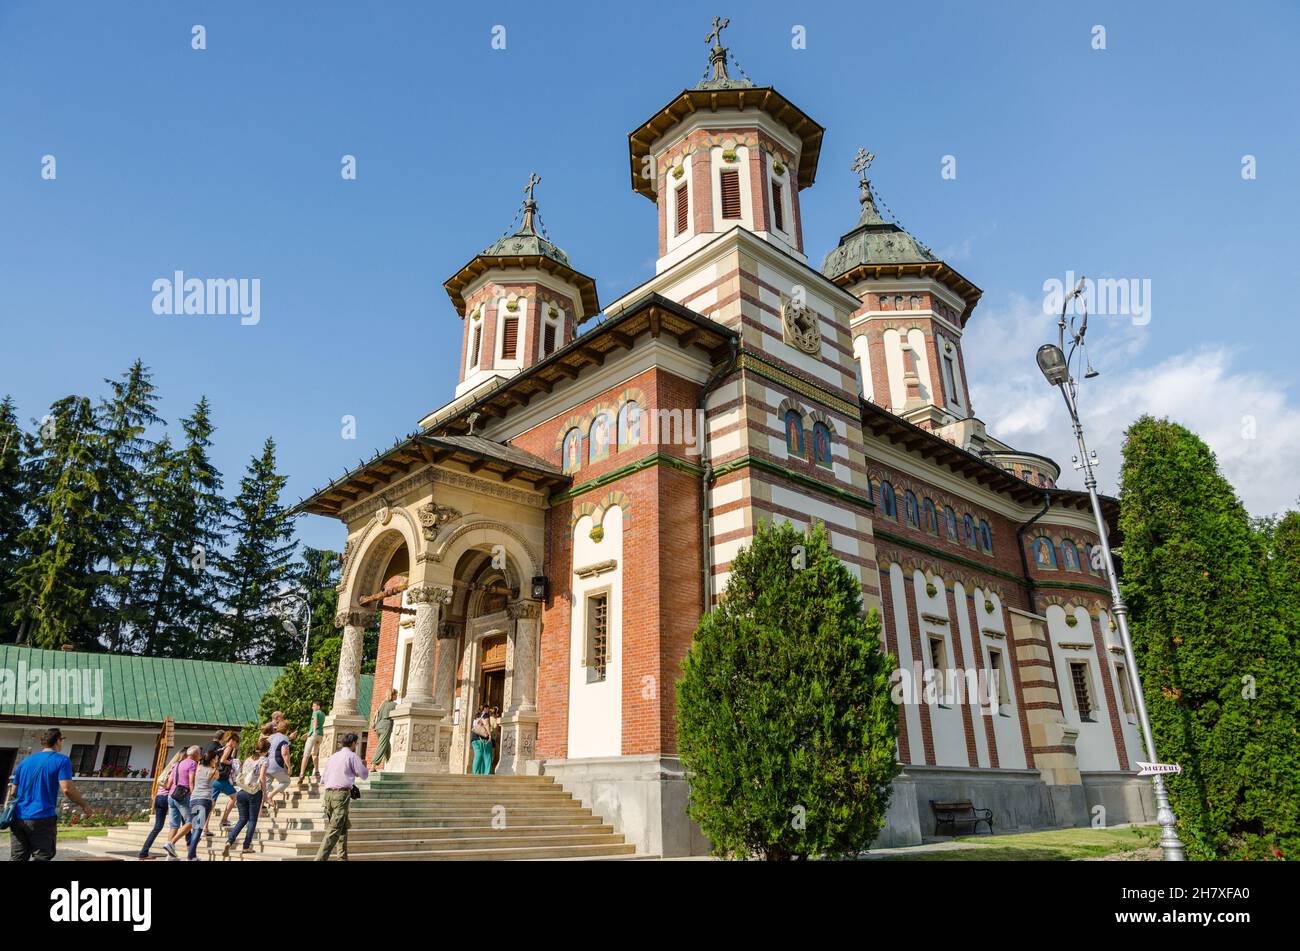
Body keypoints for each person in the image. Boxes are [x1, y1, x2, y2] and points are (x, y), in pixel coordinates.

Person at [5, 728, 89, 861]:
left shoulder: (26, 762)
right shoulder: (62, 760)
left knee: (18, 857)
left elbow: (14, 791)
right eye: (61, 740)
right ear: (57, 741)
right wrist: (84, 804)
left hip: (18, 817)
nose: (62, 743)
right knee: (42, 855)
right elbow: (67, 789)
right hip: (42, 816)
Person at [314, 733, 368, 862]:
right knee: (334, 830)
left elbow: (324, 779)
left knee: (342, 827)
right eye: (357, 743)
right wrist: (364, 765)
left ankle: (342, 858)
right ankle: (319, 859)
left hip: (328, 795)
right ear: (353, 743)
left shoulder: (333, 756)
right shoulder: (352, 756)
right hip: (341, 795)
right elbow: (364, 774)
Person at [223, 739, 269, 857]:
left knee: (242, 819)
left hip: (242, 792)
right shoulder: (264, 760)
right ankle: (246, 846)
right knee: (252, 820)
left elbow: (243, 774)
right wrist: (265, 794)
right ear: (267, 750)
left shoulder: (248, 759)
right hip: (254, 792)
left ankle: (230, 840)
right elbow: (262, 778)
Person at [138, 749, 184, 860]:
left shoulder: (168, 767)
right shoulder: (177, 768)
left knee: (157, 827)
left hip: (159, 798)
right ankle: (172, 850)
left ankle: (143, 853)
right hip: (167, 798)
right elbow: (169, 785)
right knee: (179, 823)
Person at [162, 746, 199, 860]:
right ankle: (171, 843)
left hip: (171, 795)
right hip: (183, 795)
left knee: (174, 826)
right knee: (191, 822)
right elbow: (191, 781)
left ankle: (170, 855)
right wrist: (194, 796)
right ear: (195, 754)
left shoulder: (177, 764)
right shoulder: (192, 763)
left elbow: (170, 782)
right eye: (199, 753)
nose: (200, 755)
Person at [184, 749, 219, 860]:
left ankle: (193, 855)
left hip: (194, 799)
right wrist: (215, 765)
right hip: (205, 800)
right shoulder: (214, 771)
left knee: (195, 827)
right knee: (199, 829)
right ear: (213, 759)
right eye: (216, 758)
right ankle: (190, 856)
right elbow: (216, 778)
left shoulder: (198, 768)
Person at [209, 731, 239, 834]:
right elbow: (223, 760)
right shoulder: (228, 748)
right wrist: (232, 762)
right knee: (234, 796)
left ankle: (205, 827)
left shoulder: (221, 748)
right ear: (232, 741)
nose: (236, 744)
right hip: (222, 779)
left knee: (212, 803)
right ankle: (224, 820)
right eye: (236, 742)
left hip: (215, 778)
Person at [264, 720, 293, 816]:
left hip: (266, 763)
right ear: (287, 729)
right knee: (286, 781)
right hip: (277, 764)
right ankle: (270, 796)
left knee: (267, 784)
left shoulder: (270, 737)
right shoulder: (285, 738)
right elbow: (284, 753)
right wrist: (289, 767)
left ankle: (264, 802)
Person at [369, 690, 398, 772]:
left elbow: (378, 716)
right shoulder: (394, 705)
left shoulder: (382, 704)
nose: (397, 696)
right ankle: (373, 765)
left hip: (378, 727)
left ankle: (390, 762)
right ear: (392, 695)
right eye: (396, 694)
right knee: (382, 746)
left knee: (386, 744)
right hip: (386, 727)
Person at [299, 701, 325, 784]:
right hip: (320, 735)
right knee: (314, 754)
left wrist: (313, 732)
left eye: (314, 706)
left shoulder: (315, 713)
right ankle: (317, 771)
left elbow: (315, 723)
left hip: (314, 735)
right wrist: (307, 734)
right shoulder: (323, 714)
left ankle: (301, 774)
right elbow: (319, 726)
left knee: (306, 755)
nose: (312, 708)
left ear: (318, 706)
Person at [470, 706, 493, 775]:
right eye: (487, 708)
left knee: (478, 755)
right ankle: (487, 773)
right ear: (485, 709)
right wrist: (489, 735)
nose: (488, 710)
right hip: (482, 739)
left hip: (474, 738)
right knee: (487, 755)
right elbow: (486, 724)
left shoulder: (476, 716)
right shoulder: (485, 715)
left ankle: (475, 772)